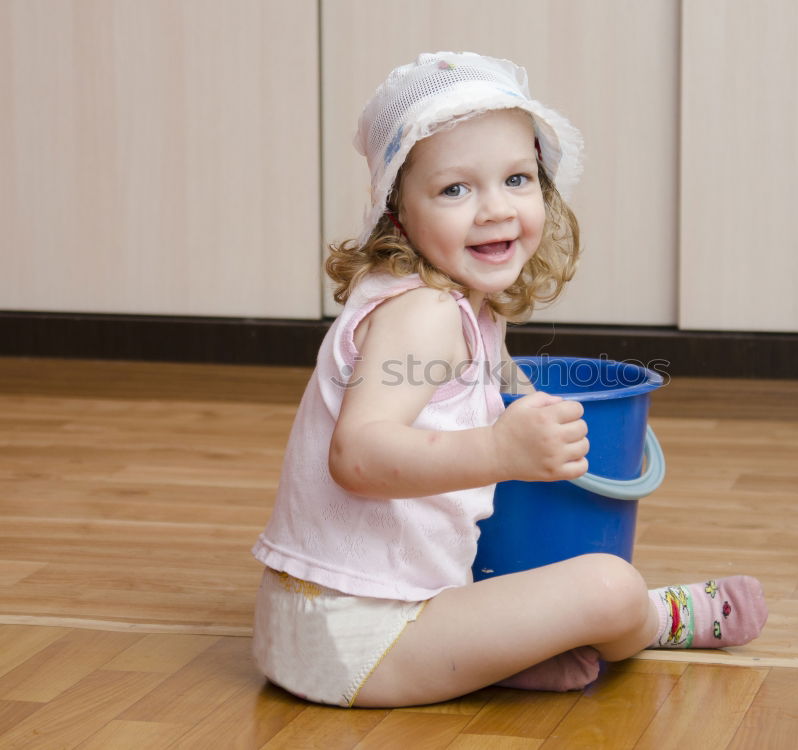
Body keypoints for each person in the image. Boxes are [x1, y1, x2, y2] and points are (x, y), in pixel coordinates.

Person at [251, 51, 767, 709]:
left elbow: (499, 395)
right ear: (397, 214)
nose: (495, 209)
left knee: (526, 549)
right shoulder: (426, 314)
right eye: (455, 189)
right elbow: (357, 456)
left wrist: (538, 420)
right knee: (605, 584)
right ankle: (652, 616)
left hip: (349, 623)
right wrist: (502, 451)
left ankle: (496, 656)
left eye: (517, 179)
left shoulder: (458, 303)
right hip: (360, 638)